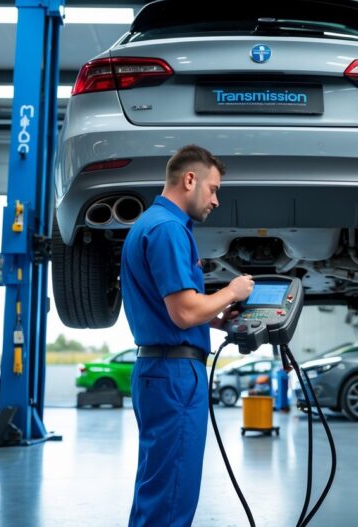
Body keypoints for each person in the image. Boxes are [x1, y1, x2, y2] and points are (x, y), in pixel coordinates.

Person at [120, 144, 254, 527]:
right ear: (189, 179)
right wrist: (232, 291)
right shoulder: (168, 229)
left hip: (158, 369)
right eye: (212, 189)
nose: (215, 200)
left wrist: (212, 318)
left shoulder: (149, 224)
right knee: (172, 496)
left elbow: (174, 308)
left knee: (156, 490)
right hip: (174, 376)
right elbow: (182, 312)